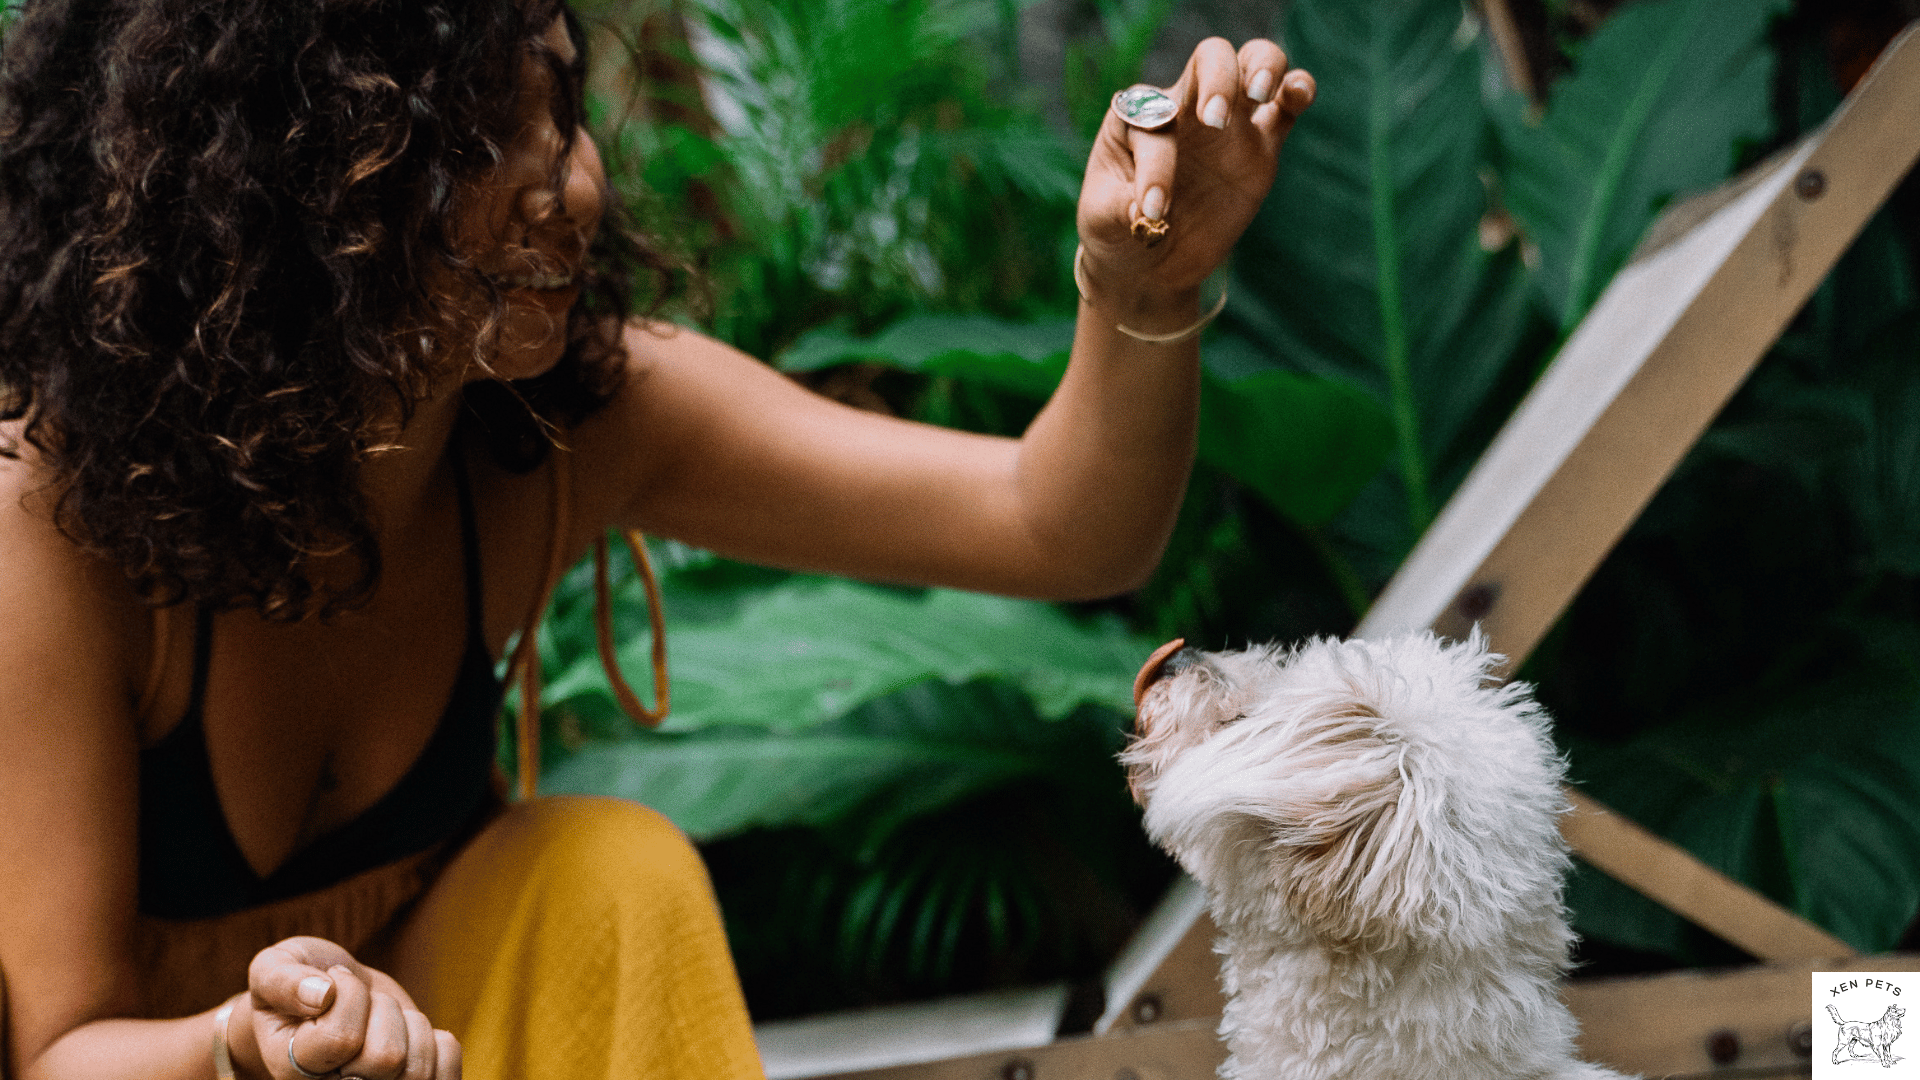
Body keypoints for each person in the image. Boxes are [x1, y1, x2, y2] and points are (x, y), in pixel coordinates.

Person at [0, 0, 1315, 1077]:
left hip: (440, 1051)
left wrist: (1141, 288)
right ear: (266, 195)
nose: (567, 182)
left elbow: (1056, 527)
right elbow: (55, 1047)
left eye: (560, 105)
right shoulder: (55, 526)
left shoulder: (567, 421)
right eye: (465, 139)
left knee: (600, 876)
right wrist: (244, 1047)